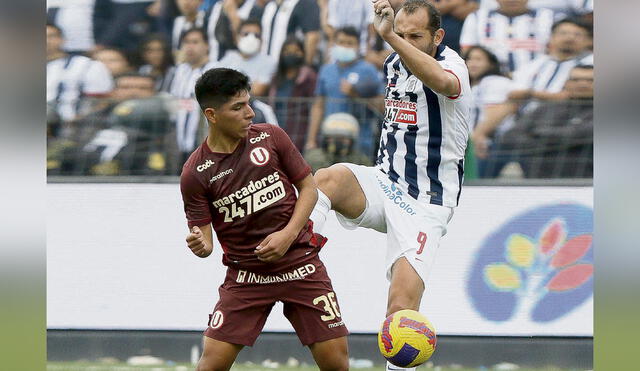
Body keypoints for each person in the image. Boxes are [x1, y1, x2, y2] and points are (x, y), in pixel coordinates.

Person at [309, 2, 471, 371]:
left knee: (401, 312)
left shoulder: (452, 65)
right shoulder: (393, 63)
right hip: (385, 182)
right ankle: (302, 259)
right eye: (403, 33)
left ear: (438, 37)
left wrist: (392, 39)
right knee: (325, 179)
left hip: (427, 201)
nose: (407, 42)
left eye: (416, 36)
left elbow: (444, 84)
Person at [180, 68, 349, 371]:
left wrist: (287, 235)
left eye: (249, 103)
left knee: (337, 363)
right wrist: (199, 244)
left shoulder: (271, 137)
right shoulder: (195, 172)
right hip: (246, 277)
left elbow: (309, 189)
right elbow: (205, 241)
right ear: (212, 115)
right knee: (210, 366)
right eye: (237, 107)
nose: (249, 113)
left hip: (300, 264)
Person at [498, 64, 593, 178]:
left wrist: (537, 134)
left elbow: (580, 134)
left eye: (590, 80)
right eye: (575, 80)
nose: (582, 84)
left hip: (588, 183)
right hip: (540, 183)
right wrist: (566, 143)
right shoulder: (544, 109)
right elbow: (510, 137)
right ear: (566, 83)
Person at [306, 26, 385, 158]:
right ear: (334, 44)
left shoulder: (368, 70)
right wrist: (311, 140)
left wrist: (356, 94)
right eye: (341, 42)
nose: (345, 46)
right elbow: (318, 106)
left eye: (350, 43)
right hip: (329, 139)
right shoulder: (326, 70)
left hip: (359, 143)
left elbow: (382, 106)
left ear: (358, 46)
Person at [459, 0, 554, 73]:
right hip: (489, 82)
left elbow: (554, 52)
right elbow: (467, 53)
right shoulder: (477, 17)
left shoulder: (547, 17)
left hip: (537, 81)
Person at [47, 23, 113, 125]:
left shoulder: (87, 65)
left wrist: (76, 121)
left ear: (63, 39)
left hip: (70, 126)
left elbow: (101, 102)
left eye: (50, 36)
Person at [169, 28, 218, 165]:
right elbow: (174, 99)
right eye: (186, 42)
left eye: (195, 42)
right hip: (179, 138)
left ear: (207, 45)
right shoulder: (180, 70)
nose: (190, 46)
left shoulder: (215, 70)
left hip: (204, 137)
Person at [464, 46, 514, 177]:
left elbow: (497, 112)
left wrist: (478, 137)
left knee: (477, 185)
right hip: (466, 146)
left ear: (491, 63)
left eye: (479, 59)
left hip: (487, 145)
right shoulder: (468, 85)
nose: (473, 63)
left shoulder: (496, 82)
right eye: (469, 59)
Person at [268, 37, 318, 151]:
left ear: (303, 53)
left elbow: (315, 106)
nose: (292, 54)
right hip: (276, 127)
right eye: (288, 51)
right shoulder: (276, 78)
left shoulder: (308, 77)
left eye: (296, 51)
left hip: (299, 132)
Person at [214, 19, 277, 96]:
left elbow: (257, 91)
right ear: (236, 37)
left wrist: (227, 85)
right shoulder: (229, 57)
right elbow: (215, 85)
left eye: (256, 35)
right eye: (246, 34)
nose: (251, 38)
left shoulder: (269, 62)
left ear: (262, 40)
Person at [251, 0, 321, 66]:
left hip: (290, 68)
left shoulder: (305, 3)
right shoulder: (270, 4)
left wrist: (306, 66)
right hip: (264, 65)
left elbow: (312, 37)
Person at [304, 112, 373, 171]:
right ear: (326, 138)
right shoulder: (312, 158)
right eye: (334, 137)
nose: (338, 141)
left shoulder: (361, 161)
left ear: (351, 140)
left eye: (343, 138)